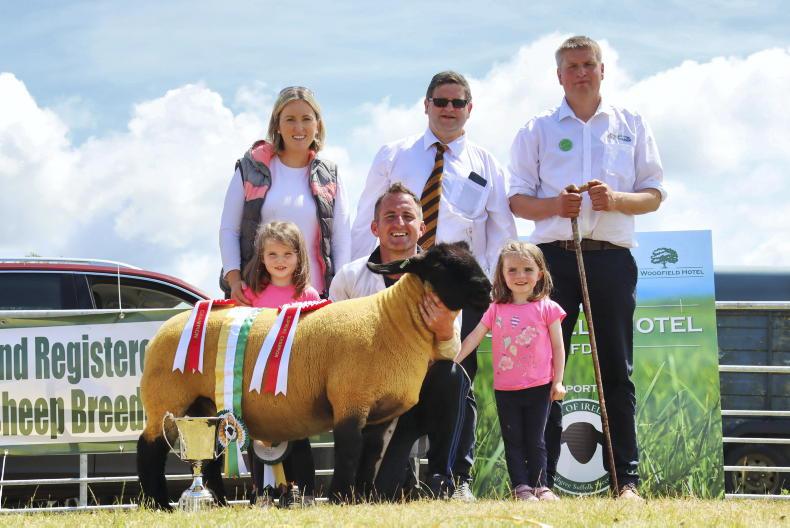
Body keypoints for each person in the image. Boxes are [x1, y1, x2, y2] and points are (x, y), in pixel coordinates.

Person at [508, 35, 666, 500]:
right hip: (552, 259)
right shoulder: (536, 128)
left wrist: (615, 200)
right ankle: (540, 482)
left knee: (616, 369)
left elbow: (654, 194)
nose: (581, 73)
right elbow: (517, 199)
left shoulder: (631, 123)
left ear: (602, 70)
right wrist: (555, 206)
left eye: (588, 64)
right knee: (544, 369)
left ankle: (626, 482)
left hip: (612, 257)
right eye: (572, 67)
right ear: (559, 76)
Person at [219, 86, 350, 505]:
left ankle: (304, 489)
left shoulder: (329, 173)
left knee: (300, 396)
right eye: (290, 118)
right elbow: (229, 228)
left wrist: (338, 294)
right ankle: (264, 490)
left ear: (318, 124)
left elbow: (341, 236)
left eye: (306, 118)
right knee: (259, 397)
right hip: (256, 298)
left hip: (310, 304)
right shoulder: (252, 167)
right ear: (277, 123)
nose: (298, 126)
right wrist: (234, 279)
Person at [351, 70, 516, 383]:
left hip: (460, 289)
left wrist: (497, 287)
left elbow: (502, 232)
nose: (449, 108)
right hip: (399, 283)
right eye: (440, 101)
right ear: (426, 105)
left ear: (470, 108)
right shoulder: (392, 155)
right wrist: (360, 277)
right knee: (390, 373)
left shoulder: (487, 165)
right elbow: (364, 220)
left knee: (454, 377)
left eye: (458, 102)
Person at [330, 182, 477, 501]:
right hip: (374, 403)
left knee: (455, 378)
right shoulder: (349, 278)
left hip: (424, 392)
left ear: (422, 227)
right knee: (379, 494)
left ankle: (447, 479)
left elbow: (450, 353)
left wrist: (443, 330)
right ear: (375, 227)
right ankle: (401, 479)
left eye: (408, 216)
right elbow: (336, 350)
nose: (399, 223)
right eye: (390, 216)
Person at [455, 241, 566, 502]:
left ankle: (540, 486)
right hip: (506, 389)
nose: (520, 276)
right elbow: (474, 337)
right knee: (513, 439)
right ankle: (521, 487)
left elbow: (558, 347)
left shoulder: (548, 308)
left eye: (527, 269)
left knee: (536, 439)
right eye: (512, 270)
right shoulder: (495, 308)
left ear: (540, 273)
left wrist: (558, 381)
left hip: (540, 386)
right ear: (502, 274)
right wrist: (454, 360)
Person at [242, 220, 320, 505]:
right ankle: (262, 493)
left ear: (299, 256)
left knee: (297, 435)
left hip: (294, 383)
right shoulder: (250, 295)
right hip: (258, 381)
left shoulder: (309, 296)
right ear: (261, 257)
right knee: (260, 436)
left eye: (287, 254)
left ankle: (304, 492)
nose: (280, 261)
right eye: (272, 254)